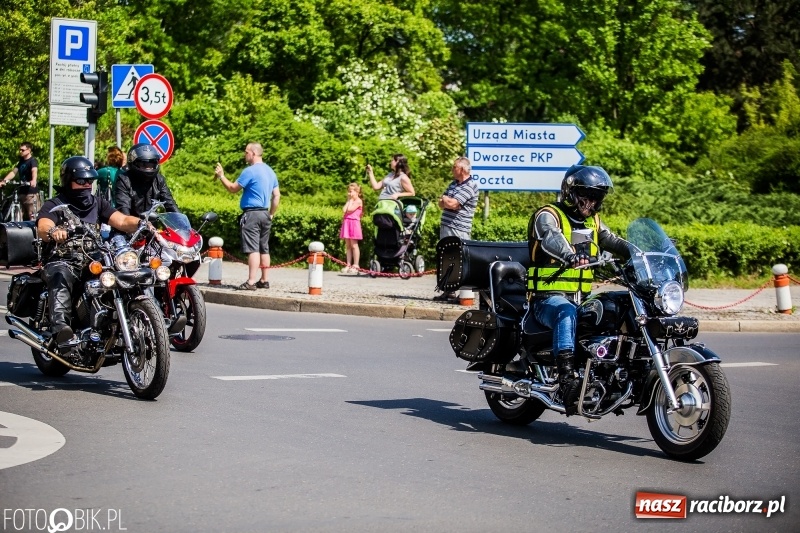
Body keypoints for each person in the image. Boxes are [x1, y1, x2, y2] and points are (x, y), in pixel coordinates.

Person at [525, 165, 630, 415]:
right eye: (585, 195)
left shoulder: (593, 221)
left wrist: (638, 252)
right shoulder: (548, 214)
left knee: (614, 308)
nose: (590, 202)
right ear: (570, 192)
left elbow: (612, 240)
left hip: (580, 299)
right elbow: (551, 237)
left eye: (596, 197)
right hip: (545, 301)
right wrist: (569, 256)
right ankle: (567, 378)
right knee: (565, 313)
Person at [37, 156, 151, 352]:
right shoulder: (55, 204)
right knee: (60, 276)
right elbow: (43, 225)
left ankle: (119, 320)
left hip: (93, 259)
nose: (86, 185)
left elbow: (121, 220)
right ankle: (61, 328)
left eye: (89, 181)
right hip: (63, 259)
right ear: (67, 181)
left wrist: (142, 224)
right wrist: (53, 231)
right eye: (81, 181)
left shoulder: (97, 203)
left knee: (121, 274)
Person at [214, 142, 280, 290]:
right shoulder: (271, 171)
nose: (245, 155)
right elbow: (276, 196)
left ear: (253, 154)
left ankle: (250, 282)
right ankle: (264, 280)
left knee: (253, 249)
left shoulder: (249, 171)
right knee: (264, 248)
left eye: (246, 152)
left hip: (251, 214)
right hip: (265, 213)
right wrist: (271, 214)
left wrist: (221, 176)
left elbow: (232, 188)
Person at [433, 156, 479, 301]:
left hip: (459, 228)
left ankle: (463, 293)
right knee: (447, 259)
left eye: (454, 167)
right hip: (447, 225)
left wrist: (447, 201)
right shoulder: (453, 184)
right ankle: (448, 290)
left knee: (459, 260)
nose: (452, 170)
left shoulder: (470, 185)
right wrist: (447, 201)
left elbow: (452, 204)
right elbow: (442, 203)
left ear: (462, 169)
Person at [115, 143, 179, 217]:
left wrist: (183, 225)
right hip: (127, 226)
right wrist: (135, 223)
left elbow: (170, 204)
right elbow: (123, 209)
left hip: (151, 226)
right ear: (133, 163)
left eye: (152, 164)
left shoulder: (158, 180)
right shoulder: (124, 180)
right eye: (144, 164)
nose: (149, 167)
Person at [1, 141, 39, 221]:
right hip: (21, 193)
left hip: (30, 194)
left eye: (22, 150)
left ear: (29, 150)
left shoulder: (32, 161)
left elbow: (34, 171)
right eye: (20, 150)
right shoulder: (21, 161)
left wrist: (33, 180)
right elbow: (13, 172)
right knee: (17, 216)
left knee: (32, 216)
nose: (20, 152)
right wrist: (4, 180)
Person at [339, 183, 363, 274]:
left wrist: (350, 201)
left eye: (350, 191)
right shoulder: (350, 201)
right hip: (347, 222)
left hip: (354, 223)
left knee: (354, 245)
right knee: (348, 245)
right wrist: (349, 200)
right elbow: (344, 209)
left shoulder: (358, 201)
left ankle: (356, 265)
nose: (349, 193)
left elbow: (348, 210)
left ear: (357, 191)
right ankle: (348, 264)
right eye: (348, 191)